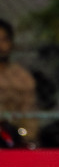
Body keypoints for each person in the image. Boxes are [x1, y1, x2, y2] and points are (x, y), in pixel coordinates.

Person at [0, 17, 39, 146]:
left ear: (11, 43)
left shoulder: (22, 77)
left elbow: (29, 113)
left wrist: (28, 139)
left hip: (13, 134)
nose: (1, 45)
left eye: (4, 40)